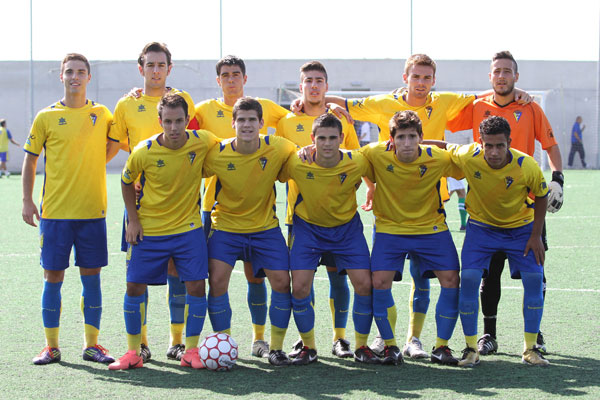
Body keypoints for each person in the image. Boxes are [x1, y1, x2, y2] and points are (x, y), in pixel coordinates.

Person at [293, 54, 532, 359]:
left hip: (430, 216)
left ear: (433, 80)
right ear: (404, 78)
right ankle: (385, 340)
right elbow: (349, 134)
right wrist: (312, 106)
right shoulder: (376, 142)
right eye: (415, 77)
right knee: (377, 281)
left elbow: (484, 100)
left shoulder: (441, 121)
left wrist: (516, 95)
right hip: (387, 219)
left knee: (432, 279)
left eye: (426, 77)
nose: (421, 83)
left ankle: (420, 341)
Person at [447, 50, 563, 355]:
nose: (502, 76)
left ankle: (534, 335)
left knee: (537, 272)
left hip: (525, 205)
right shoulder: (476, 105)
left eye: (507, 71)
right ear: (490, 76)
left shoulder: (531, 107)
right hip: (487, 205)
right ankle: (489, 335)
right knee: (489, 274)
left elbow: (550, 145)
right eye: (497, 71)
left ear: (516, 76)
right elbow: (441, 114)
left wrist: (557, 180)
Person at [109, 93, 218, 370]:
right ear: (159, 121)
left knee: (196, 285)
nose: (173, 128)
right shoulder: (143, 151)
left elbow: (229, 146)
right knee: (133, 286)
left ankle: (191, 351)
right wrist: (132, 221)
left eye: (179, 121)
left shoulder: (203, 140)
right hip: (149, 230)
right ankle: (133, 352)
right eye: (168, 122)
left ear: (187, 121)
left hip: (188, 230)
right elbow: (125, 182)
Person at [22, 53, 118, 365]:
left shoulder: (102, 113)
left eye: (80, 72)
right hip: (55, 214)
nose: (74, 77)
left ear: (89, 77)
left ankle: (92, 345)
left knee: (92, 279)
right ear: (61, 77)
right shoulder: (46, 116)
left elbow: (117, 140)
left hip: (93, 213)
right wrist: (26, 200)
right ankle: (51, 347)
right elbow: (30, 158)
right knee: (53, 278)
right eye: (69, 72)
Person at [432, 116, 550, 367]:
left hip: (520, 229)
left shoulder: (526, 165)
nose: (494, 152)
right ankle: (471, 348)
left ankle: (531, 349)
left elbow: (541, 195)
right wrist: (412, 141)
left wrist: (535, 235)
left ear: (509, 142)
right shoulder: (469, 154)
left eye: (500, 145)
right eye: (488, 146)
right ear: (480, 143)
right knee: (471, 279)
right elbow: (443, 146)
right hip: (482, 229)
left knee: (534, 279)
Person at [193, 55, 290, 358]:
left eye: (252, 120)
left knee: (278, 282)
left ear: (262, 124)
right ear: (232, 123)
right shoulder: (216, 153)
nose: (247, 125)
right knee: (217, 280)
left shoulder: (280, 147)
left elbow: (305, 156)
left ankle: (269, 345)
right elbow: (185, 166)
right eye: (241, 120)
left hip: (264, 227)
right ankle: (224, 344)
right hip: (224, 226)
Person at [108, 42, 196, 362]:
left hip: (178, 202)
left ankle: (176, 341)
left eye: (161, 65)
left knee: (177, 271)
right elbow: (117, 144)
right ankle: (141, 343)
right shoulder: (126, 104)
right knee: (137, 275)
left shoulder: (184, 101)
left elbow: (197, 140)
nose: (155, 70)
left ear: (169, 69)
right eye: (150, 64)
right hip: (141, 202)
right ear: (140, 67)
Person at [361, 110, 463, 366]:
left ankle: (441, 347)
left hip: (431, 229)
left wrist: (441, 144)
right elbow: (349, 158)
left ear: (421, 138)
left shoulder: (437, 158)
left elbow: (467, 161)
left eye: (412, 137)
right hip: (390, 229)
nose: (406, 143)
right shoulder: (375, 152)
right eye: (401, 137)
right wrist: (371, 186)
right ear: (391, 138)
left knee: (451, 279)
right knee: (380, 282)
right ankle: (390, 345)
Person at [275, 61, 360, 359]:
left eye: (319, 81)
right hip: (299, 217)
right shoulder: (286, 122)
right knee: (303, 279)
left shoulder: (342, 120)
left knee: (339, 278)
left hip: (338, 218)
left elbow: (356, 160)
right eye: (308, 81)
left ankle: (340, 338)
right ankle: (305, 340)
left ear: (326, 86)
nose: (313, 85)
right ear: (301, 87)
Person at [279, 113, 377, 365]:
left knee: (364, 285)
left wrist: (371, 188)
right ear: (312, 139)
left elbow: (375, 165)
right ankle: (308, 347)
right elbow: (272, 169)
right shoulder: (296, 162)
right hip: (308, 229)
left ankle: (361, 346)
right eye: (321, 138)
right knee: (299, 287)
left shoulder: (356, 161)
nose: (327, 143)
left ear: (342, 139)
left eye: (333, 138)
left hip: (346, 231)